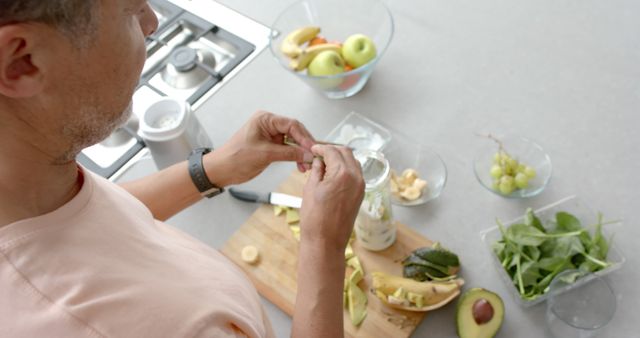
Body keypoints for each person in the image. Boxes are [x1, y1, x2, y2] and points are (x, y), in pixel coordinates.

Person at [0, 1, 365, 337]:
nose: (151, 23)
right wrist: (324, 244)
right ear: (21, 61)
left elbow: (83, 223)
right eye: (132, 9)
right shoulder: (142, 325)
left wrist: (214, 169)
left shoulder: (29, 178)